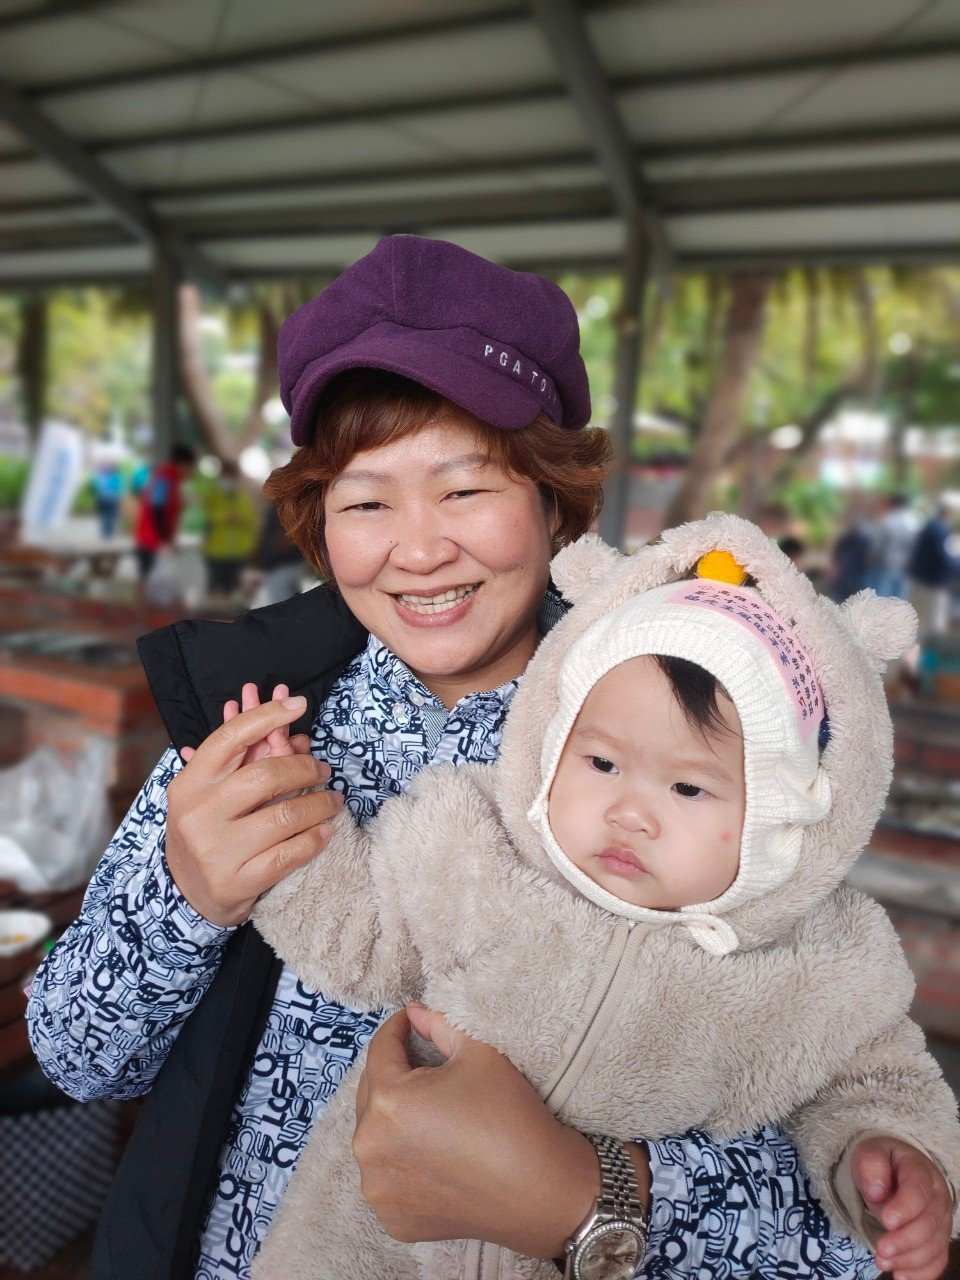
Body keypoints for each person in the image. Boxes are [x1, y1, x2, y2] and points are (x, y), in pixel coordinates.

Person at [25, 237, 954, 1280]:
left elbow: (846, 1229)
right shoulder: (250, 721)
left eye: (466, 490)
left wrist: (589, 1194)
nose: (420, 549)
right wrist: (185, 899)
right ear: (320, 525)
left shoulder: (682, 742)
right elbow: (75, 1058)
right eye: (366, 502)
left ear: (555, 498)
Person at [249, 516, 960, 1280]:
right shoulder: (473, 846)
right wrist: (283, 826)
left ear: (783, 816)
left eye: (688, 787)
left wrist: (891, 1155)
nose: (629, 812)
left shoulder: (819, 966)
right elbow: (357, 933)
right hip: (356, 1256)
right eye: (601, 763)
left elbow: (875, 1082)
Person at [132, 442, 197, 579]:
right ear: (183, 464)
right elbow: (157, 509)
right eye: (192, 467)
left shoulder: (172, 479)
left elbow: (164, 506)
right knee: (150, 583)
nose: (192, 472)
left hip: (156, 541)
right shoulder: (164, 477)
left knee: (156, 583)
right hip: (151, 541)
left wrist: (181, 505)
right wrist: (165, 541)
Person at [200, 460, 261, 599]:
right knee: (215, 591)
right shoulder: (212, 496)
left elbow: (251, 520)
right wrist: (224, 517)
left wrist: (239, 519)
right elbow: (204, 517)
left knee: (233, 592)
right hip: (215, 552)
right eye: (226, 477)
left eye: (231, 477)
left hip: (238, 553)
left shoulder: (243, 498)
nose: (228, 481)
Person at [908, 503, 958, 641]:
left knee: (918, 618)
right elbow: (943, 557)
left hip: (921, 578)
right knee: (934, 623)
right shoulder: (940, 530)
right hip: (934, 582)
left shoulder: (929, 527)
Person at [868, 493, 919, 600]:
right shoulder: (915, 522)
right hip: (906, 566)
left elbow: (878, 545)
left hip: (886, 564)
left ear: (893, 504)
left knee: (882, 596)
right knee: (899, 598)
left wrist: (871, 559)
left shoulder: (888, 521)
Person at [92, 461, 124, 539]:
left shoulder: (102, 476)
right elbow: (119, 488)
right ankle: (109, 533)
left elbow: (97, 487)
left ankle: (105, 532)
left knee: (104, 515)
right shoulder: (117, 477)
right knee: (111, 516)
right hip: (112, 499)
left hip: (103, 498)